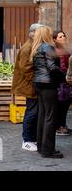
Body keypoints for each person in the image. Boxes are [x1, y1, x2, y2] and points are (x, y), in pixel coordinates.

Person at [31, 26, 65, 158]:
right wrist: (64, 78)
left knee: (43, 115)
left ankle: (41, 146)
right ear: (46, 35)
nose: (52, 36)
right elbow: (52, 67)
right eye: (50, 34)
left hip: (39, 84)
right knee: (50, 117)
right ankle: (48, 150)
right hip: (48, 84)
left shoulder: (37, 48)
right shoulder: (48, 47)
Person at [11, 23, 43, 152]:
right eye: (40, 32)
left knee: (33, 112)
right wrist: (36, 82)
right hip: (29, 85)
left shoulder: (33, 46)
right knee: (31, 112)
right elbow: (26, 69)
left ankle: (32, 138)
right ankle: (27, 140)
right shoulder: (27, 48)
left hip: (32, 85)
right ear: (33, 33)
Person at [53, 31, 72, 136]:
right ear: (55, 39)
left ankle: (62, 125)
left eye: (64, 35)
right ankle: (59, 127)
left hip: (67, 81)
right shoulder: (56, 50)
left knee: (65, 104)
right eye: (60, 36)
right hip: (61, 82)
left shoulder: (66, 49)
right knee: (61, 105)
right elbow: (61, 66)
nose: (63, 37)